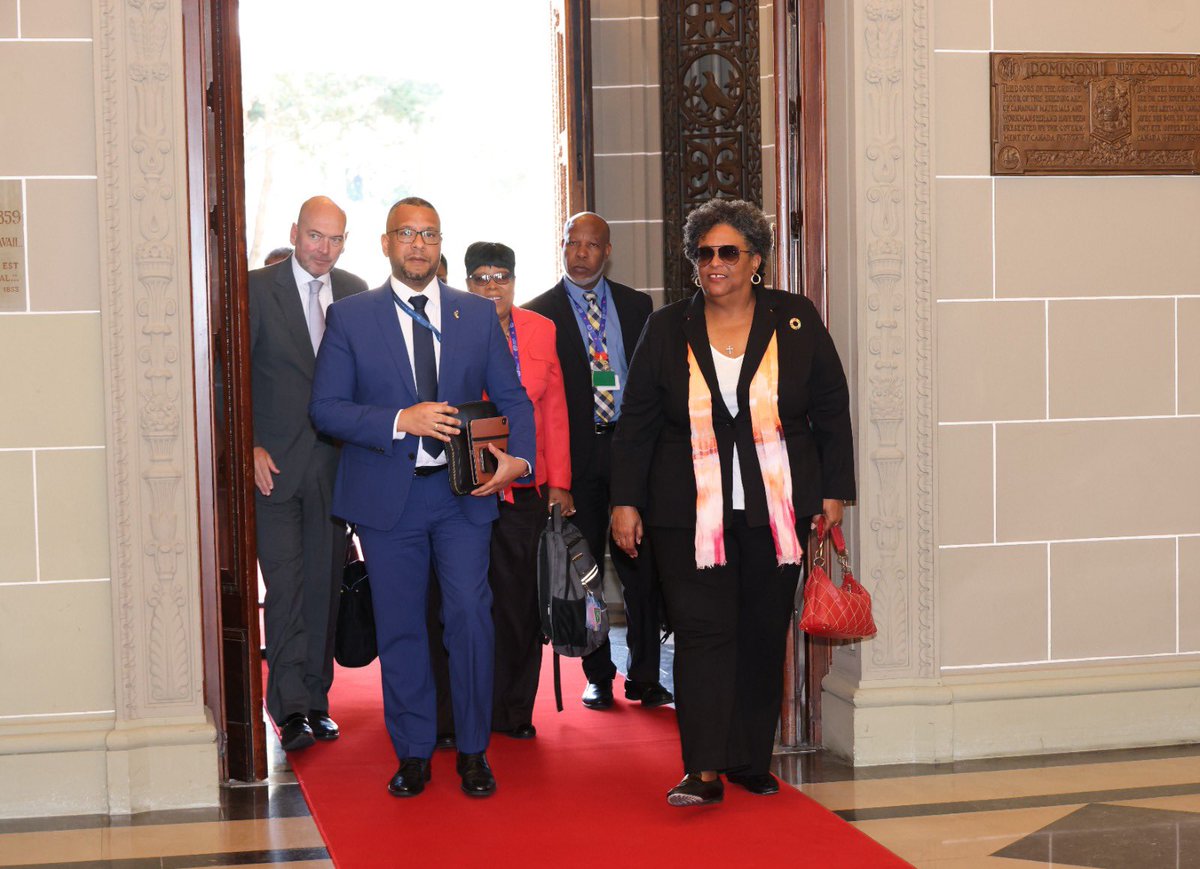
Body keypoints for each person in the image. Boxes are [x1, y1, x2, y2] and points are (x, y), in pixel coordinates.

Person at [609, 199, 855, 807]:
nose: (714, 264)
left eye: (727, 252)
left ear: (756, 261)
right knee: (701, 634)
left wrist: (833, 491)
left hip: (777, 512)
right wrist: (624, 502)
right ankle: (704, 767)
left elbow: (830, 406)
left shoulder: (794, 318)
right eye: (703, 253)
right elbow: (636, 420)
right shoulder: (667, 327)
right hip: (685, 515)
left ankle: (748, 757)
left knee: (762, 631)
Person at [309, 197, 535, 799]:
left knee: (469, 616)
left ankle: (472, 749)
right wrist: (399, 419)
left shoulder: (475, 315)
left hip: (463, 496)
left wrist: (519, 460)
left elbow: (514, 399)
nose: (417, 245)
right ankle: (412, 752)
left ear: (440, 246)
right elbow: (326, 409)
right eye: (405, 234)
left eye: (428, 234)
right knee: (403, 626)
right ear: (385, 244)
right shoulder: (352, 317)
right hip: (389, 500)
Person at [525, 212, 672, 711]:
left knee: (642, 568)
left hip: (633, 451)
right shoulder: (538, 314)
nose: (582, 253)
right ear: (562, 247)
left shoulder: (638, 306)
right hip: (576, 457)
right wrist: (550, 473)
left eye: (592, 245)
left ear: (608, 251)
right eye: (573, 243)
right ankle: (598, 673)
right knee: (584, 570)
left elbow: (651, 382)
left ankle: (646, 675)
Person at [248, 196, 367, 752]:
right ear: (295, 232)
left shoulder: (355, 291)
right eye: (316, 236)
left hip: (337, 467)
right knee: (288, 586)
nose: (324, 249)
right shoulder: (254, 289)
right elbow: (228, 377)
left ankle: (317, 701)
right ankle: (289, 707)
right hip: (274, 470)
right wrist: (245, 444)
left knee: (325, 587)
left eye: (335, 239)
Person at [463, 241, 572, 739]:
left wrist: (560, 483)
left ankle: (513, 711)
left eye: (500, 276)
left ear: (513, 280)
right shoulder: (451, 324)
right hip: (465, 487)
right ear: (467, 283)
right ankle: (465, 710)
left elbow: (553, 412)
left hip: (526, 486)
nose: (491, 286)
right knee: (465, 601)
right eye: (481, 277)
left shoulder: (540, 329)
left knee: (520, 602)